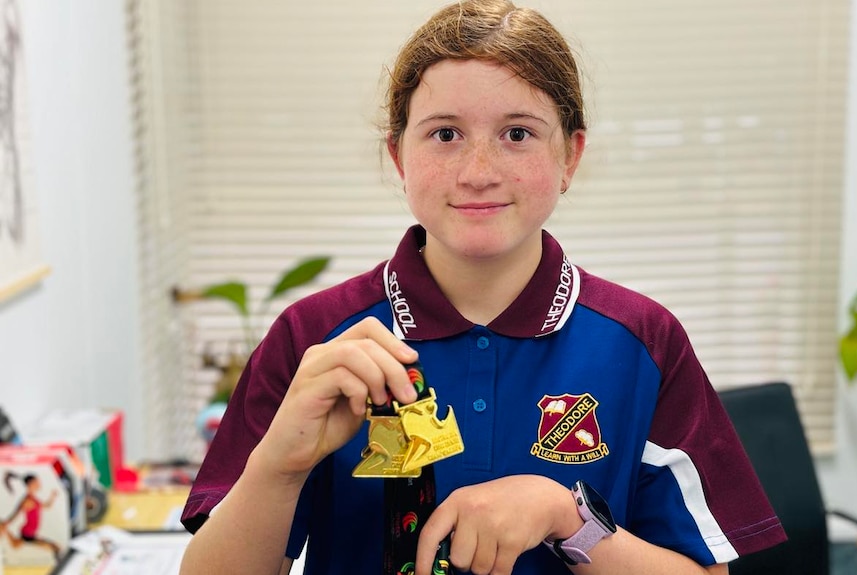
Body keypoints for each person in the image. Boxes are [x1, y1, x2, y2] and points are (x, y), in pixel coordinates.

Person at [179, 1, 787, 573]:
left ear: (570, 156)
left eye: (517, 133)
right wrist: (279, 466)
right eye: (445, 134)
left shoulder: (644, 343)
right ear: (399, 157)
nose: (478, 173)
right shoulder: (313, 341)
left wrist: (566, 518)